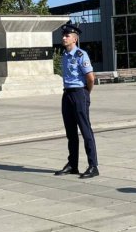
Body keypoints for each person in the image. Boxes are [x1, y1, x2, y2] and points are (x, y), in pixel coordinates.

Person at [54, 21, 99, 179]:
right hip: (67, 94)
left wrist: (86, 93)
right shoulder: (65, 55)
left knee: (85, 130)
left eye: (67, 36)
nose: (64, 38)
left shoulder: (81, 55)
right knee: (70, 132)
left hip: (79, 93)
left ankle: (93, 165)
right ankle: (73, 164)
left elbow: (90, 78)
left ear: (74, 39)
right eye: (63, 35)